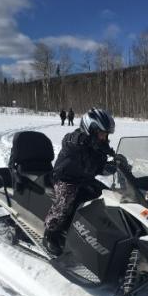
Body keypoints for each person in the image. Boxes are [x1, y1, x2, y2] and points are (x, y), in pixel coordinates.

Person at [43, 108, 116, 255]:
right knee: (66, 200)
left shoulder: (99, 147)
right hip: (65, 178)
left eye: (106, 134)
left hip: (84, 180)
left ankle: (96, 235)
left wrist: (114, 166)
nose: (104, 137)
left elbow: (98, 167)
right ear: (91, 129)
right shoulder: (75, 139)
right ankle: (51, 234)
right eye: (101, 133)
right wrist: (86, 140)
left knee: (107, 196)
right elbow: (70, 140)